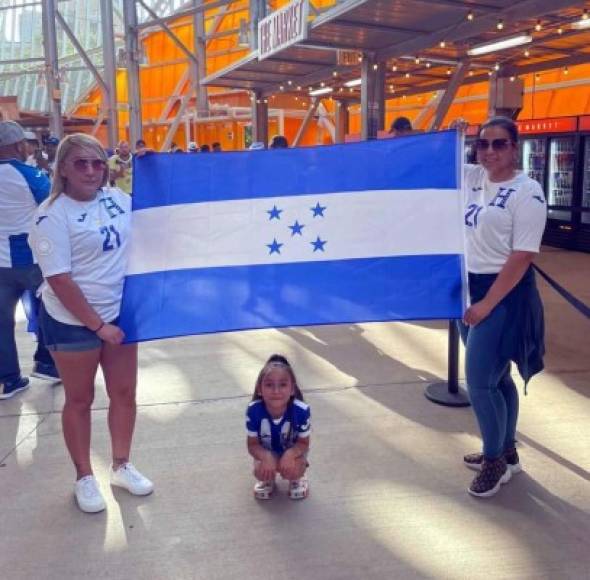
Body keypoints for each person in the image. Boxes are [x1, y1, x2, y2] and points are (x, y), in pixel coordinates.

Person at [29, 133, 153, 513]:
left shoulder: (117, 199)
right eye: (80, 163)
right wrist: (99, 327)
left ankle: (121, 464)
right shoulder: (51, 215)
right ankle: (84, 475)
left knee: (124, 393)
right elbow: (60, 281)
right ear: (62, 168)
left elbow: (159, 216)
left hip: (119, 313)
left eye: (98, 162)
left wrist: (152, 169)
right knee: (80, 399)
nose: (90, 170)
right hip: (72, 321)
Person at [459, 116, 547, 498]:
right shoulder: (471, 178)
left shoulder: (528, 191)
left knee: (479, 382)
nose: (489, 151)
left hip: (504, 293)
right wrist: (452, 135)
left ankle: (494, 461)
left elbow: (523, 255)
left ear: (514, 148)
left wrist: (488, 304)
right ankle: (506, 451)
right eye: (482, 144)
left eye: (498, 144)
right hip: (467, 288)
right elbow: (426, 159)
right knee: (498, 378)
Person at [0, 120, 59, 400]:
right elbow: (53, 202)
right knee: (50, 308)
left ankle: (9, 379)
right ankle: (46, 362)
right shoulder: (27, 174)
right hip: (30, 258)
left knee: (1, 322)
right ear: (16, 145)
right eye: (26, 143)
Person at [246, 354, 311, 500]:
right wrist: (265, 456)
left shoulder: (301, 410)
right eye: (269, 385)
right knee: (259, 471)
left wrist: (291, 454)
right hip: (268, 450)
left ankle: (298, 478)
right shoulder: (253, 410)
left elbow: (304, 443)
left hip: (293, 452)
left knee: (293, 470)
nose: (276, 391)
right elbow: (252, 444)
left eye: (283, 384)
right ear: (259, 389)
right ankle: (268, 479)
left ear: (292, 389)